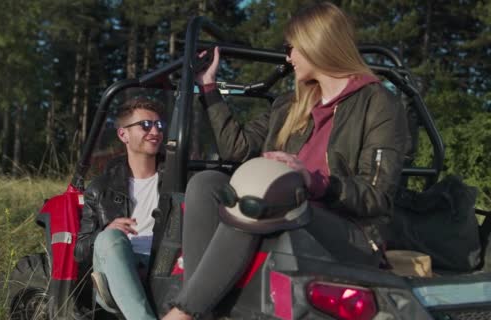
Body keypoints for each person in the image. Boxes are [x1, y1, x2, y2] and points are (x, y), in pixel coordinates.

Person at [163, 2, 409, 320]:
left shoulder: (378, 103)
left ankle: (184, 314)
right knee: (206, 183)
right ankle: (202, 307)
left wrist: (312, 181)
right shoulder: (291, 105)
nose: (288, 57)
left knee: (264, 194)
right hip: (283, 212)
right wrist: (208, 87)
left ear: (315, 43)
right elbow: (238, 148)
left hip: (349, 231)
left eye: (291, 48)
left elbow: (376, 197)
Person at [74, 97, 165, 320]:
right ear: (123, 134)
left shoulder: (178, 179)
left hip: (165, 263)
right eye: (145, 125)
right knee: (109, 236)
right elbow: (81, 251)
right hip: (119, 263)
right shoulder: (99, 189)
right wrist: (107, 231)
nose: (155, 130)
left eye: (158, 125)